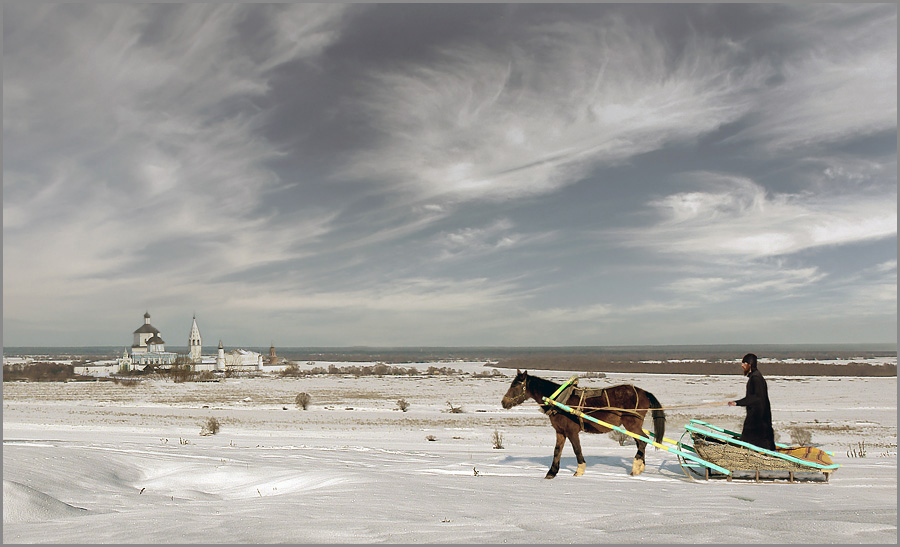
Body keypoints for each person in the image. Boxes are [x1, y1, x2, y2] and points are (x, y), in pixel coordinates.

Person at [727, 353, 776, 450]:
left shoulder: (756, 378)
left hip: (758, 418)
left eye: (744, 363)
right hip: (758, 416)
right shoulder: (754, 377)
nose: (742, 365)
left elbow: (756, 398)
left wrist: (737, 403)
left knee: (753, 440)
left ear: (750, 364)